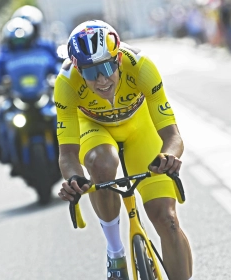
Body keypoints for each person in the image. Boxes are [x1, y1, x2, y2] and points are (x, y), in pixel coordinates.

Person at [55, 20, 193, 280]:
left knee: (167, 220)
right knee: (100, 163)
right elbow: (68, 153)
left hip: (140, 127)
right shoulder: (66, 83)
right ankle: (115, 252)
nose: (102, 79)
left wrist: (170, 156)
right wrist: (74, 179)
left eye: (107, 67)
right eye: (90, 72)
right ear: (77, 69)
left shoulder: (142, 67)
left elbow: (172, 136)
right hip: (95, 128)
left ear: (118, 59)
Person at [0, 17, 62, 169]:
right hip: (17, 100)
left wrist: (61, 78)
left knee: (65, 113)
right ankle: (8, 156)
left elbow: (58, 67)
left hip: (43, 97)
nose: (19, 43)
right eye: (15, 40)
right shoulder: (5, 56)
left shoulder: (42, 52)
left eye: (23, 39)